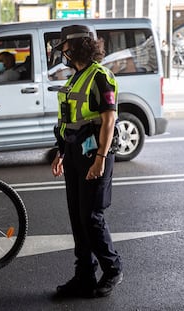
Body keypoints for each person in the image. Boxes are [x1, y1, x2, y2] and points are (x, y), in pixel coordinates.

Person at [50, 25, 123, 298]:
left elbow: (109, 119)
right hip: (73, 154)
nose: (63, 53)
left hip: (94, 154)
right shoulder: (75, 79)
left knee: (91, 218)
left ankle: (113, 269)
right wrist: (60, 153)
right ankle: (84, 276)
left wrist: (101, 158)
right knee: (77, 219)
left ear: (78, 46)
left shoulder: (101, 76)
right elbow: (68, 121)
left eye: (65, 48)